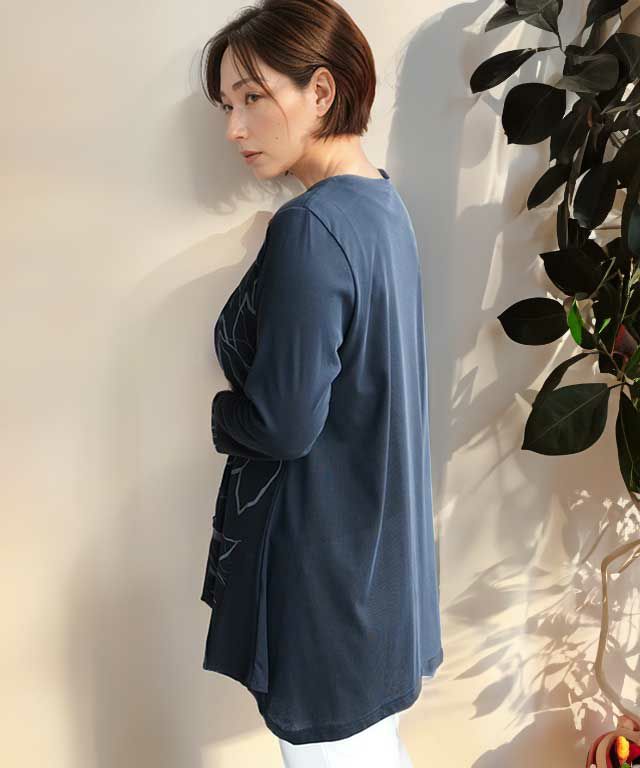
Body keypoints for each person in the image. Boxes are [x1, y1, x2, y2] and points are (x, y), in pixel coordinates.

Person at [198, 1, 444, 764]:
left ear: (323, 91)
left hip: (327, 581)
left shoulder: (311, 227)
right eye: (227, 105)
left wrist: (220, 415)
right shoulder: (382, 203)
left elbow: (282, 425)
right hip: (377, 567)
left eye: (252, 97)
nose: (234, 128)